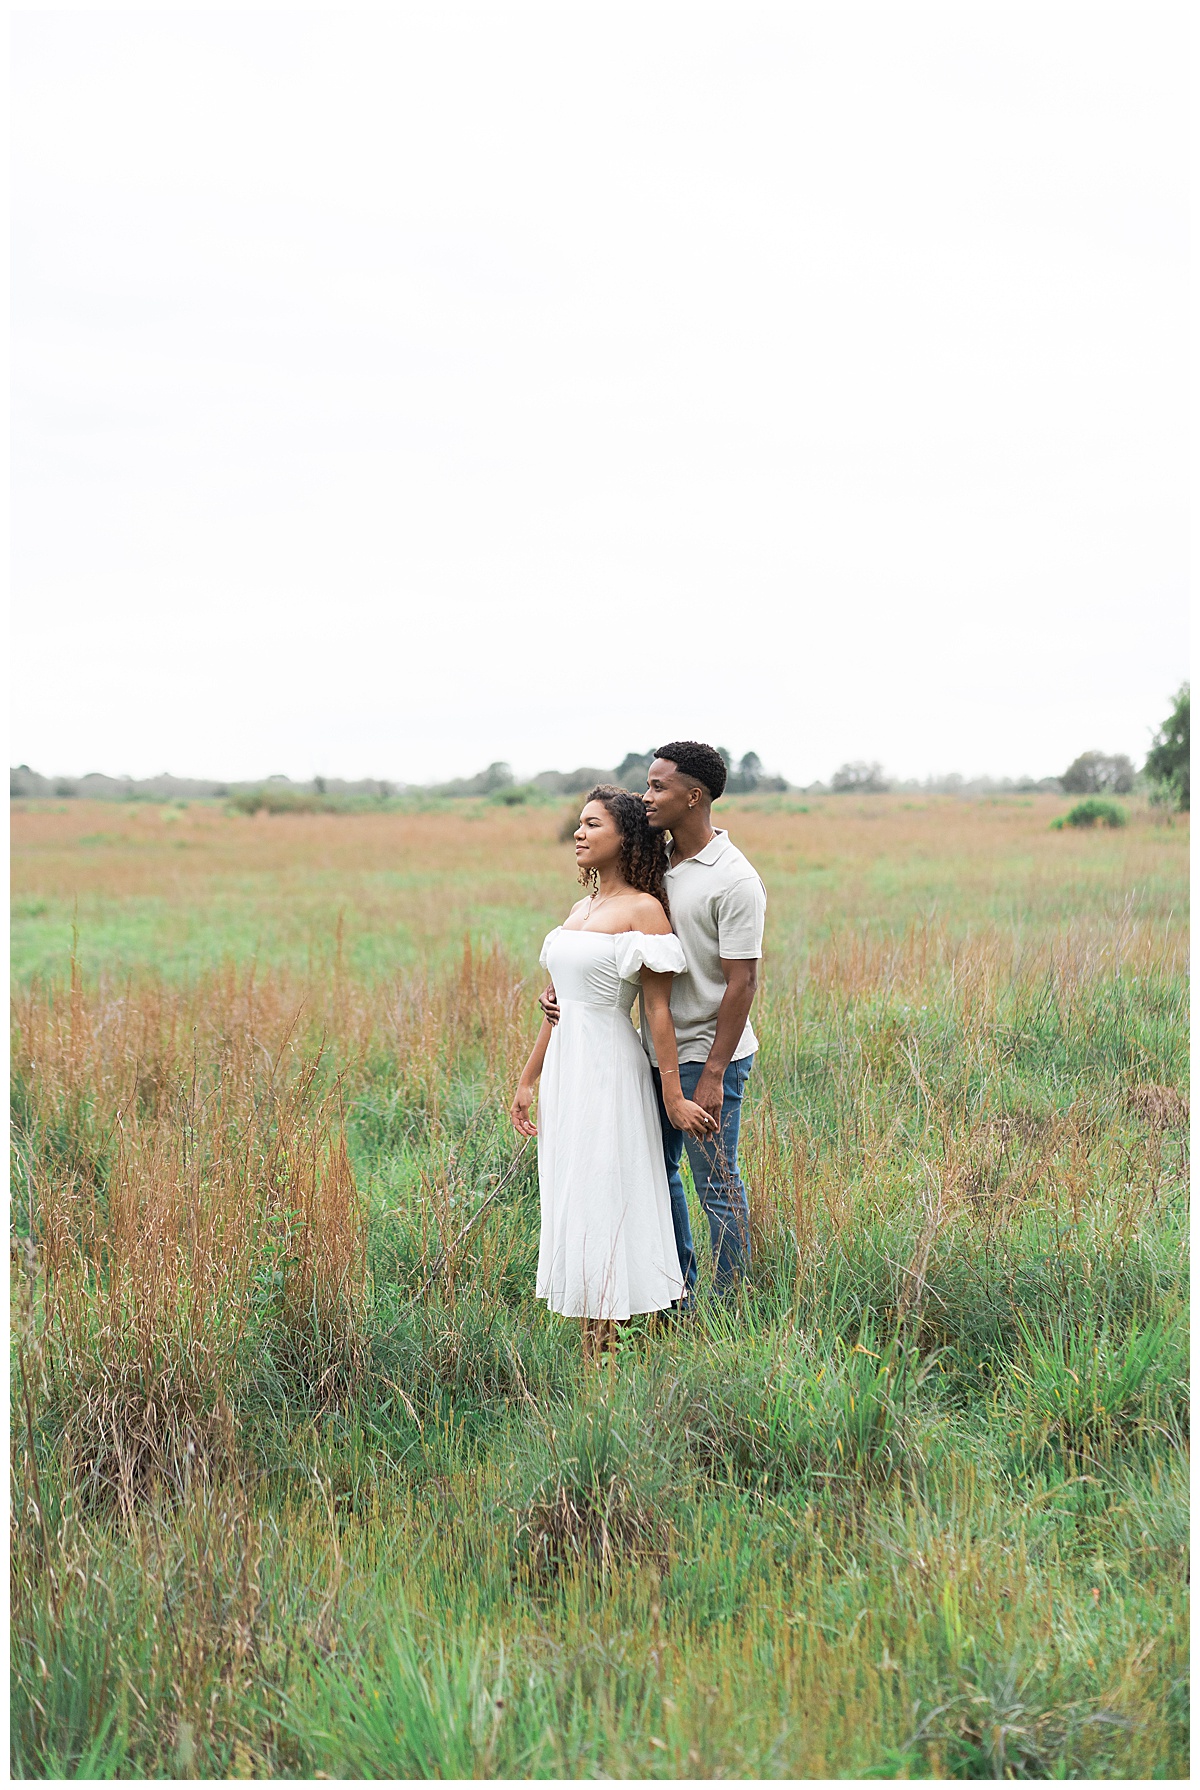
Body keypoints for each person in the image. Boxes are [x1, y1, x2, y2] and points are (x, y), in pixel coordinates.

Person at [541, 741, 766, 1302]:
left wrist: (713, 1074)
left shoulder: (734, 881)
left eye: (659, 787)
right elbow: (613, 939)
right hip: (648, 1052)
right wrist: (573, 986)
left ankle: (729, 1307)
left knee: (717, 1185)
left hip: (709, 1053)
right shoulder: (656, 860)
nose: (647, 796)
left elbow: (742, 983)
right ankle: (678, 1293)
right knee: (657, 1175)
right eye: (647, 784)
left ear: (695, 796)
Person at [510, 785, 717, 1361]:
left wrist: (673, 1097)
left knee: (606, 1193)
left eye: (592, 824)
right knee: (572, 1193)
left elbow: (657, 1013)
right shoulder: (581, 910)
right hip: (566, 1071)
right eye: (578, 823)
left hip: (608, 1068)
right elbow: (559, 1007)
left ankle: (613, 1346)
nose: (578, 833)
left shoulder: (644, 910)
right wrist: (528, 1080)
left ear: (625, 836)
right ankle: (592, 1340)